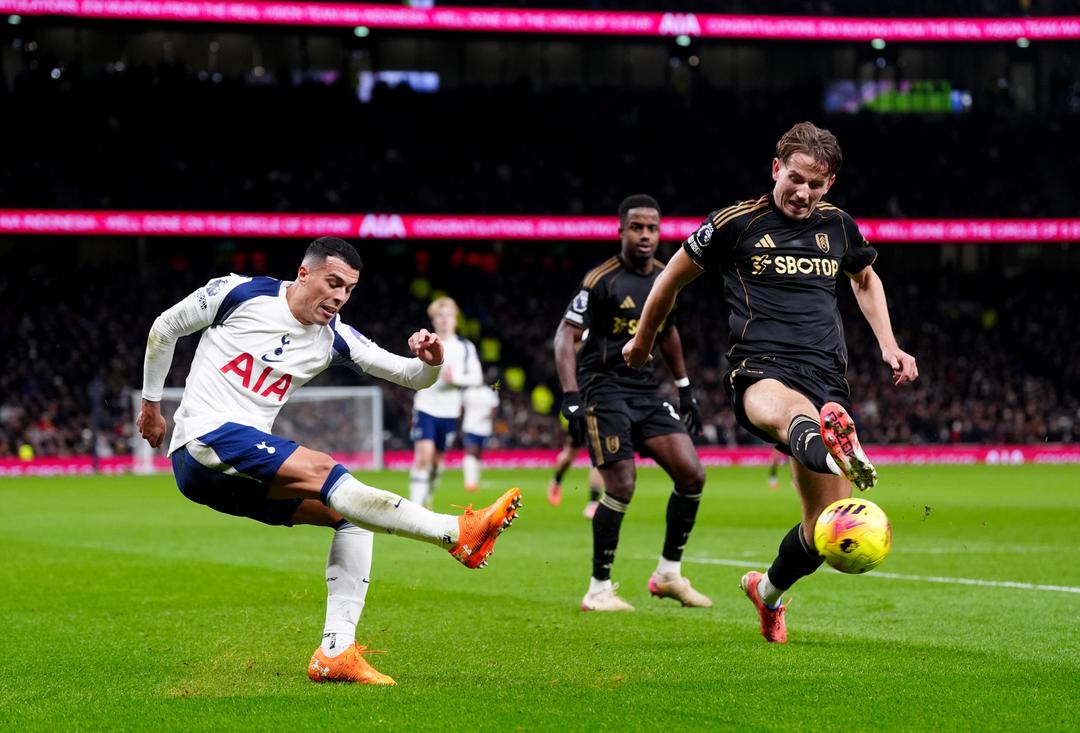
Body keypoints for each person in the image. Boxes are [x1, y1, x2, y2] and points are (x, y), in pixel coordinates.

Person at [136, 237, 521, 685]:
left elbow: (409, 375)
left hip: (233, 469)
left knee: (350, 517)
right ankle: (454, 533)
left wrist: (432, 362)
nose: (339, 297)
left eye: (349, 290)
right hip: (203, 439)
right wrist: (151, 405)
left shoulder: (335, 336)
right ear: (304, 274)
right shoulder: (236, 293)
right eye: (333, 283)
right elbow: (165, 328)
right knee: (324, 469)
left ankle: (335, 650)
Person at [623, 122, 918, 643]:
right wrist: (643, 342)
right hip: (760, 370)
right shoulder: (735, 223)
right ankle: (830, 445)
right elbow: (669, 278)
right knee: (790, 412)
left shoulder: (839, 226)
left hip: (827, 376)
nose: (803, 193)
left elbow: (866, 279)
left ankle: (767, 593)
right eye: (796, 179)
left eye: (817, 185)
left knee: (825, 532)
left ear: (829, 185)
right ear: (776, 168)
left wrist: (889, 345)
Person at [554, 194, 711, 613]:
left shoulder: (666, 276)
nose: (645, 235)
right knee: (622, 485)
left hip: (645, 390)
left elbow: (669, 331)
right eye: (637, 227)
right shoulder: (601, 279)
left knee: (692, 475)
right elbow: (563, 337)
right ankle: (598, 589)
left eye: (652, 228)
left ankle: (668, 574)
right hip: (602, 387)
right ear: (621, 230)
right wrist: (570, 397)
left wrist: (683, 386)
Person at [409, 297, 482, 507]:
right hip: (425, 407)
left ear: (455, 319)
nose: (444, 320)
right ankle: (415, 507)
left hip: (449, 412)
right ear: (433, 320)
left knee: (436, 462)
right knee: (423, 456)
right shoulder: (426, 343)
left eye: (448, 315)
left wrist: (455, 379)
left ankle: (428, 491)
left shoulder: (465, 347)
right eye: (439, 316)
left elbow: (476, 378)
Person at [547, 426, 604, 520]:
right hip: (580, 418)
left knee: (598, 456)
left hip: (598, 419)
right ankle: (557, 480)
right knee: (570, 455)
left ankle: (593, 503)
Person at [461, 383, 500, 492]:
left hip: (484, 428)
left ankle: (475, 481)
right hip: (470, 426)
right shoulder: (467, 391)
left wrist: (488, 417)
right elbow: (462, 407)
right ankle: (469, 482)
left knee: (478, 453)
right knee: (471, 451)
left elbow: (495, 408)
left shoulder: (491, 391)